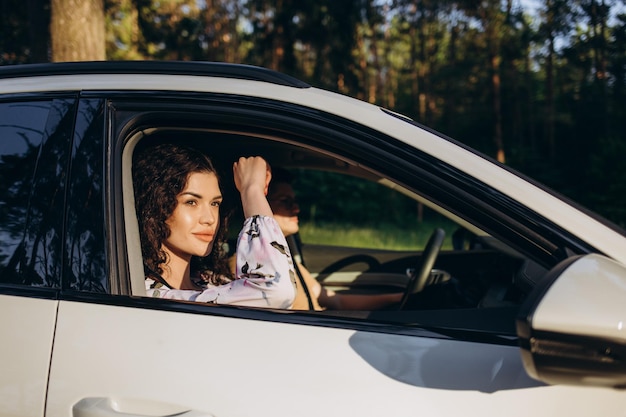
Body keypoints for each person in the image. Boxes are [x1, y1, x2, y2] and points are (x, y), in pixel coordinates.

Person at [132, 143, 296, 308]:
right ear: (155, 208)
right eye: (191, 202)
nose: (210, 218)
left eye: (215, 203)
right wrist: (251, 189)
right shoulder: (149, 296)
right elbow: (276, 290)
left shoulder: (211, 281)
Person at [266, 167, 403, 310]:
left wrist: (396, 298)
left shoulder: (286, 260)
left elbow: (337, 301)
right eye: (285, 201)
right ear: (262, 203)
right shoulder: (251, 265)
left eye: (295, 201)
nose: (296, 209)